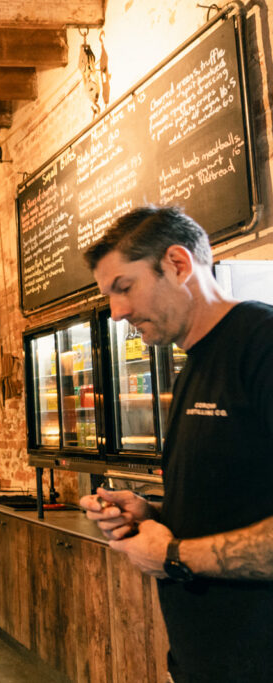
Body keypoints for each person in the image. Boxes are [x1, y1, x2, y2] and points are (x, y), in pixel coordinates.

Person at [79, 206, 273, 682]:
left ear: (179, 264)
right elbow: (235, 503)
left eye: (124, 287)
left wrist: (173, 556)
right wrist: (152, 515)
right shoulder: (194, 363)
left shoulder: (261, 344)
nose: (118, 312)